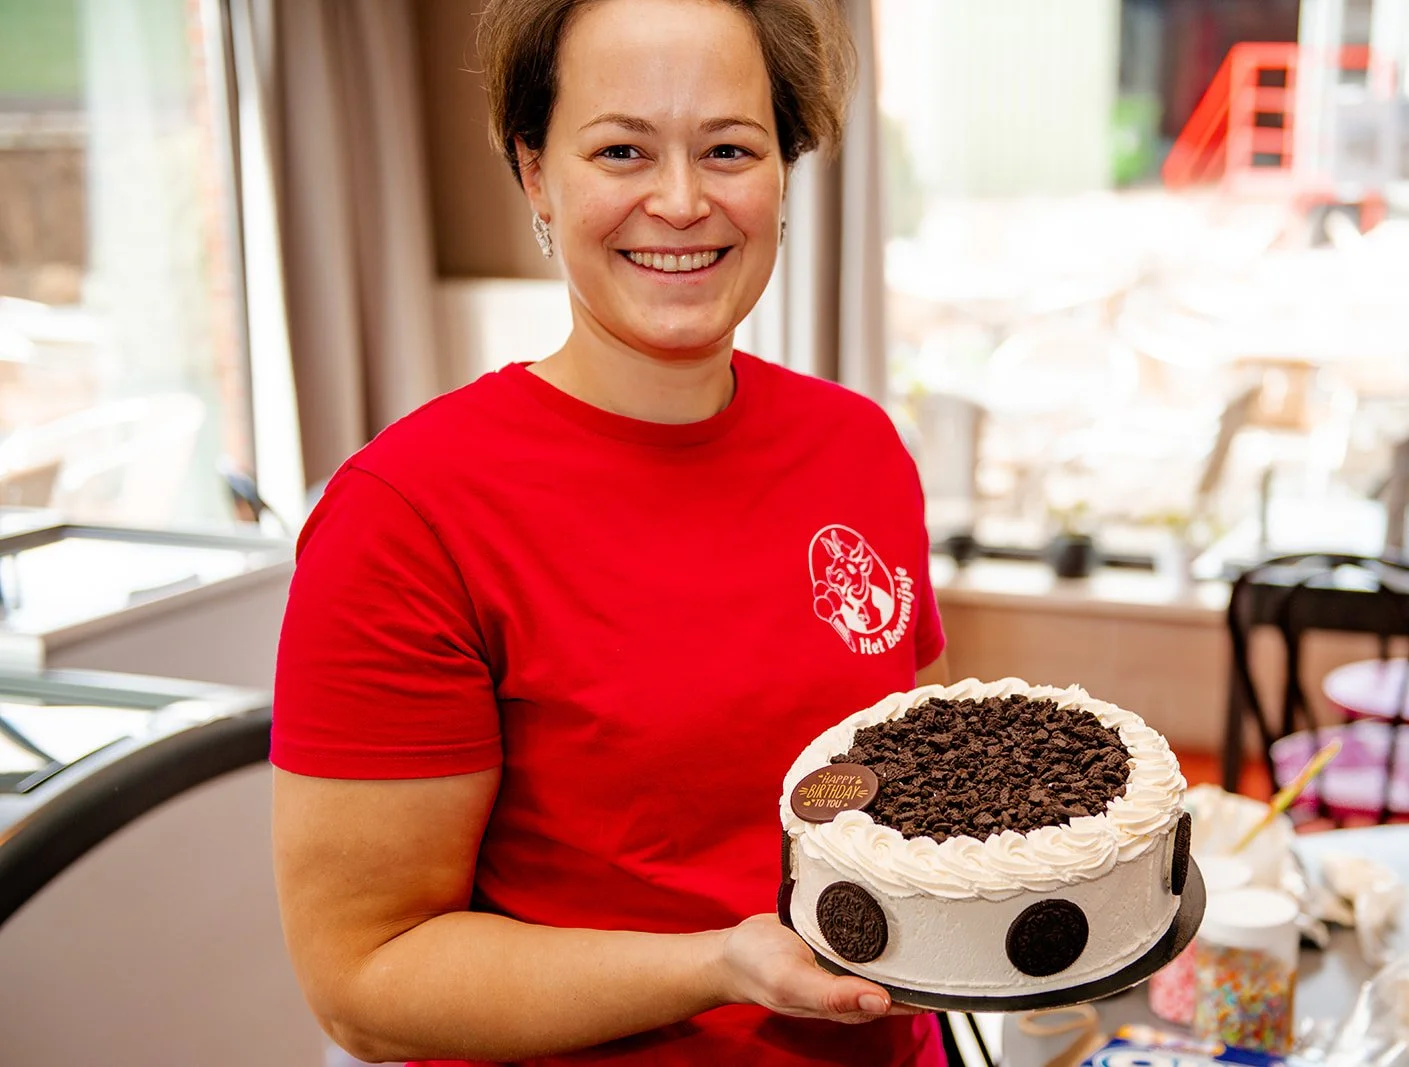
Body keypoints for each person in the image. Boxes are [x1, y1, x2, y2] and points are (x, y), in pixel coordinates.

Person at [270, 0, 949, 1063]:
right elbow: (367, 974)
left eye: (729, 148)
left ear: (783, 171)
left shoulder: (856, 448)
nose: (680, 201)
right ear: (536, 172)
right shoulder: (407, 515)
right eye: (622, 149)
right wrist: (718, 964)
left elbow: (912, 775)